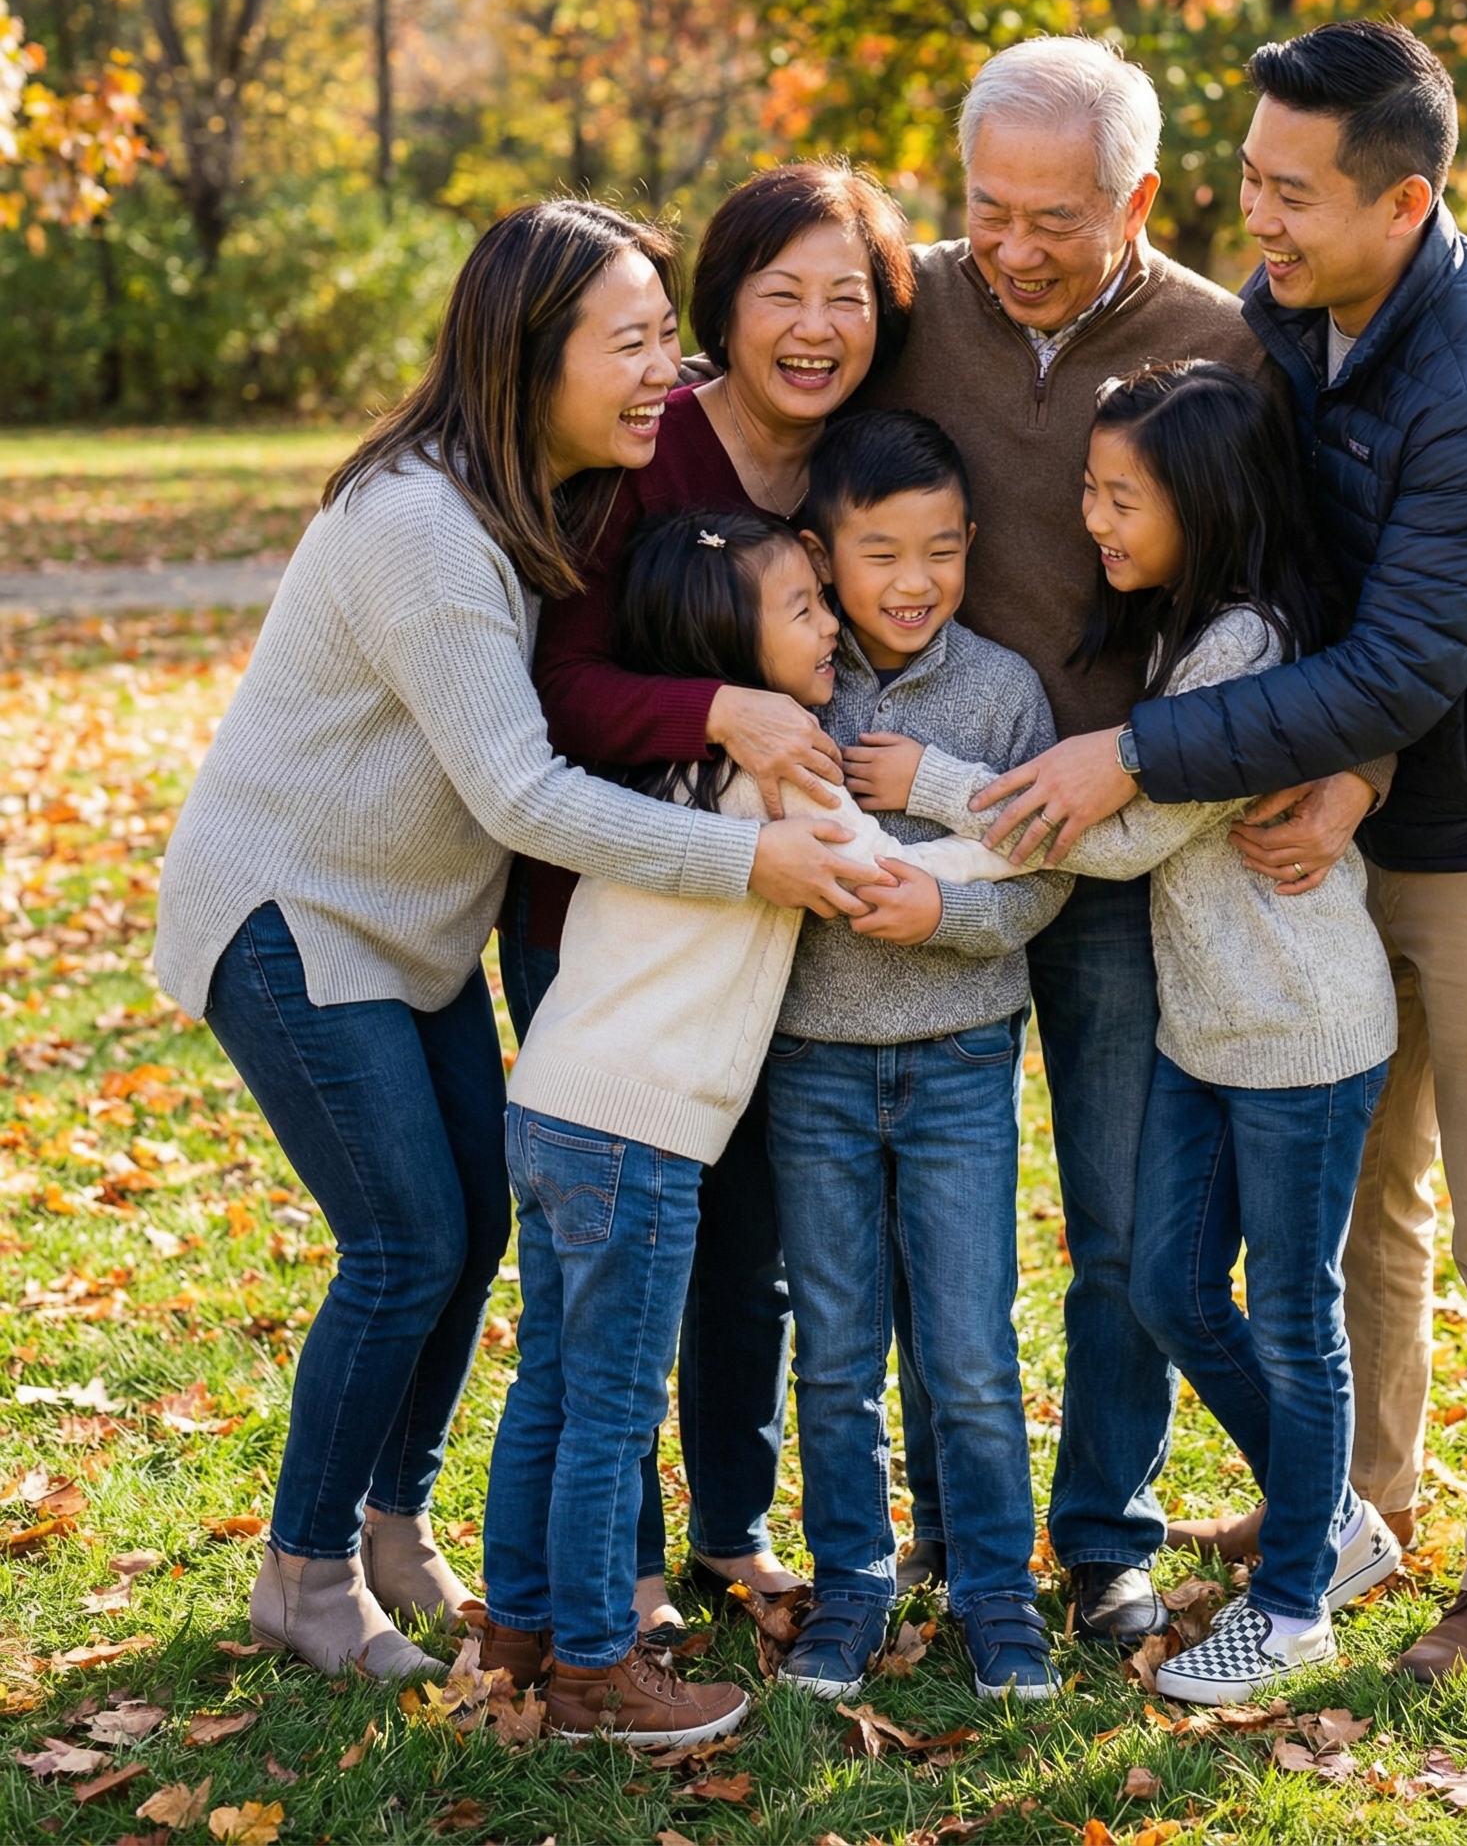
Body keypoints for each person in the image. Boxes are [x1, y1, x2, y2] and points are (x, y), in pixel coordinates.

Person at [963, 21, 1467, 1681]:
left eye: (1287, 193)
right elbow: (1324, 588)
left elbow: (1405, 660)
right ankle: (1356, 1504)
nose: (1251, 225)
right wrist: (1345, 776)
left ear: (1400, 200)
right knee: (1369, 1209)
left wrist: (1132, 746)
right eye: (1249, 180)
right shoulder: (1301, 315)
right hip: (1365, 816)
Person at [153, 203, 873, 1683]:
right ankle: (303, 1573)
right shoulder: (424, 525)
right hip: (292, 918)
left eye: (666, 337)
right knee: (407, 1239)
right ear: (528, 355)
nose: (665, 373)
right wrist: (757, 860)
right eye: (631, 343)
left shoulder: (530, 500)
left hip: (404, 931)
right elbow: (525, 793)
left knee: (471, 1227)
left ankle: (391, 1527)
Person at [853, 365, 1402, 1701]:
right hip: (1211, 1032)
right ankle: (1333, 1515)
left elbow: (1125, 834)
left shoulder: (1245, 652)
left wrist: (926, 783)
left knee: (1291, 1313)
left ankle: (1293, 1605)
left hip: (1301, 1036)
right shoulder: (1182, 627)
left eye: (1119, 497)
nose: (1093, 520)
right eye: (1090, 490)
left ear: (1202, 502)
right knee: (1164, 1283)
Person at [858, 35, 1307, 1644]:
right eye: (992, 209)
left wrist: (1358, 772)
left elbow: (1314, 593)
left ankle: (1102, 1535)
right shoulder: (901, 304)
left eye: (1060, 216)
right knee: (922, 1204)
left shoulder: (1228, 345)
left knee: (1126, 1219)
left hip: (1130, 852)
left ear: (1138, 196)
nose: (1020, 248)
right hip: (934, 833)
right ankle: (947, 1523)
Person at [478, 506, 1025, 1743]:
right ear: (733, 644)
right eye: (804, 610)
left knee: (554, 1389)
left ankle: (518, 1626)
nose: (831, 624)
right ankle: (592, 1669)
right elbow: (892, 872)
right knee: (611, 1413)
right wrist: (1010, 827)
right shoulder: (781, 771)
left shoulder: (649, 769)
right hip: (643, 1134)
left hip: (556, 1102)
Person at [503, 164, 914, 1635]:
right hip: (606, 918)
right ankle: (605, 1572)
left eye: (848, 299)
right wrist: (724, 712)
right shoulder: (640, 449)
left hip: (780, 918)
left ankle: (733, 1531)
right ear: (720, 309)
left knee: (747, 1255)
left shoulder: (868, 463)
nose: (815, 328)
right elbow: (559, 690)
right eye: (781, 293)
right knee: (614, 1283)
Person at [761, 412, 1071, 1702]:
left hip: (956, 1061)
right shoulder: (790, 685)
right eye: (878, 550)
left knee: (967, 1346)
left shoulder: (1001, 693)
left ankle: (995, 1591)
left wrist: (948, 915)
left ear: (971, 548)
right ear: (823, 556)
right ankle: (850, 1587)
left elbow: (1041, 874)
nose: (911, 580)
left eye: (939, 550)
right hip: (811, 1065)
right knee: (834, 1347)